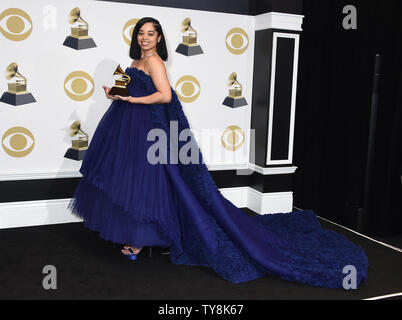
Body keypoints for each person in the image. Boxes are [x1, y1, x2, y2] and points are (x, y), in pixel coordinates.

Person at [68, 17, 369, 288]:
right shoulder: (134, 61)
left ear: (159, 39)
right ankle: (134, 235)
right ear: (136, 37)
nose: (145, 38)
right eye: (141, 33)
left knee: (151, 184)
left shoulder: (156, 63)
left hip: (148, 128)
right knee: (131, 181)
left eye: (151, 34)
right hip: (127, 129)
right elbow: (127, 90)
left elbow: (165, 96)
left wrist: (132, 102)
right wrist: (115, 94)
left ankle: (141, 239)